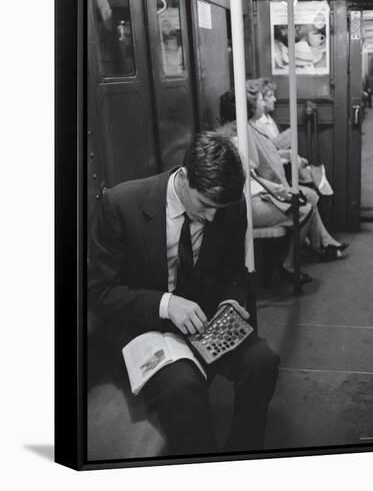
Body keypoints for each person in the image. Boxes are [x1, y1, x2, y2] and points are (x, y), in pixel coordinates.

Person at [88, 131, 280, 455]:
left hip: (206, 318)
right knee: (183, 388)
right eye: (204, 204)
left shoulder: (229, 207)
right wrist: (166, 304)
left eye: (219, 208)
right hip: (145, 324)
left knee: (263, 362)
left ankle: (244, 451)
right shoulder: (121, 204)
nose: (211, 217)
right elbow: (100, 291)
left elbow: (233, 270)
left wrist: (231, 301)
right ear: (185, 176)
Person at [219, 85, 347, 284]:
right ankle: (290, 264)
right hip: (242, 205)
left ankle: (318, 247)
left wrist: (274, 189)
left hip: (254, 194)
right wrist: (275, 190)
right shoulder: (231, 140)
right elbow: (251, 166)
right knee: (302, 210)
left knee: (303, 200)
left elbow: (251, 172)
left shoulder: (236, 135)